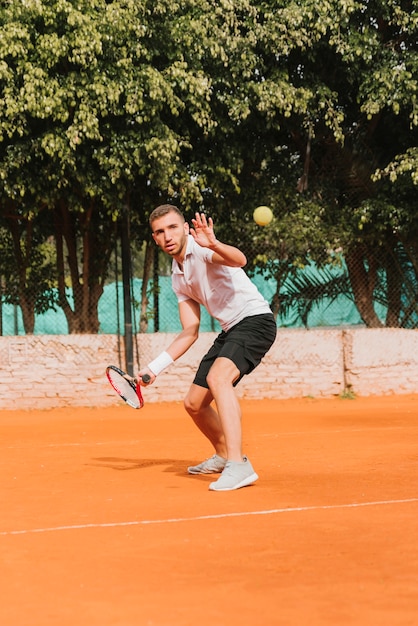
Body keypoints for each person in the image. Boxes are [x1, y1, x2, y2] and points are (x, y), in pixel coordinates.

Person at [137, 205, 277, 491]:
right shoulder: (178, 277)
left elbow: (239, 260)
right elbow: (190, 331)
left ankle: (239, 465)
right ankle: (224, 454)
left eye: (172, 227)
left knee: (218, 378)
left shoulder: (201, 250)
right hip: (231, 330)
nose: (167, 236)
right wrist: (153, 369)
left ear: (185, 228)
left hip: (255, 321)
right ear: (154, 238)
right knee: (194, 404)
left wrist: (214, 243)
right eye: (159, 232)